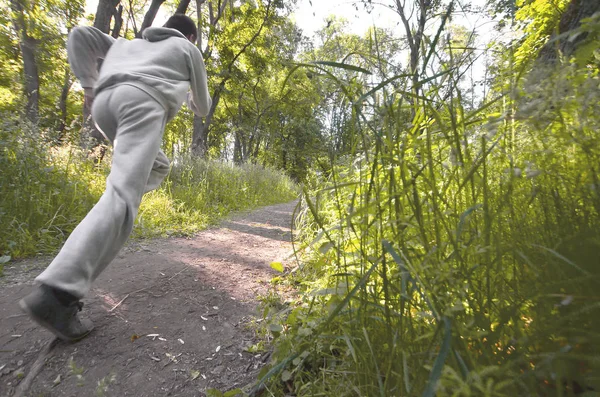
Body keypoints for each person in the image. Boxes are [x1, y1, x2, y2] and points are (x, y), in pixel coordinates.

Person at [19, 14, 211, 342]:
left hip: (105, 104)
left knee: (158, 165)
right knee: (122, 197)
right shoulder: (186, 48)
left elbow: (80, 35)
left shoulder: (130, 44)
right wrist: (192, 94)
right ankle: (57, 296)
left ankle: (120, 197)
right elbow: (203, 107)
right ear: (191, 36)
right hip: (142, 102)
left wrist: (89, 85)